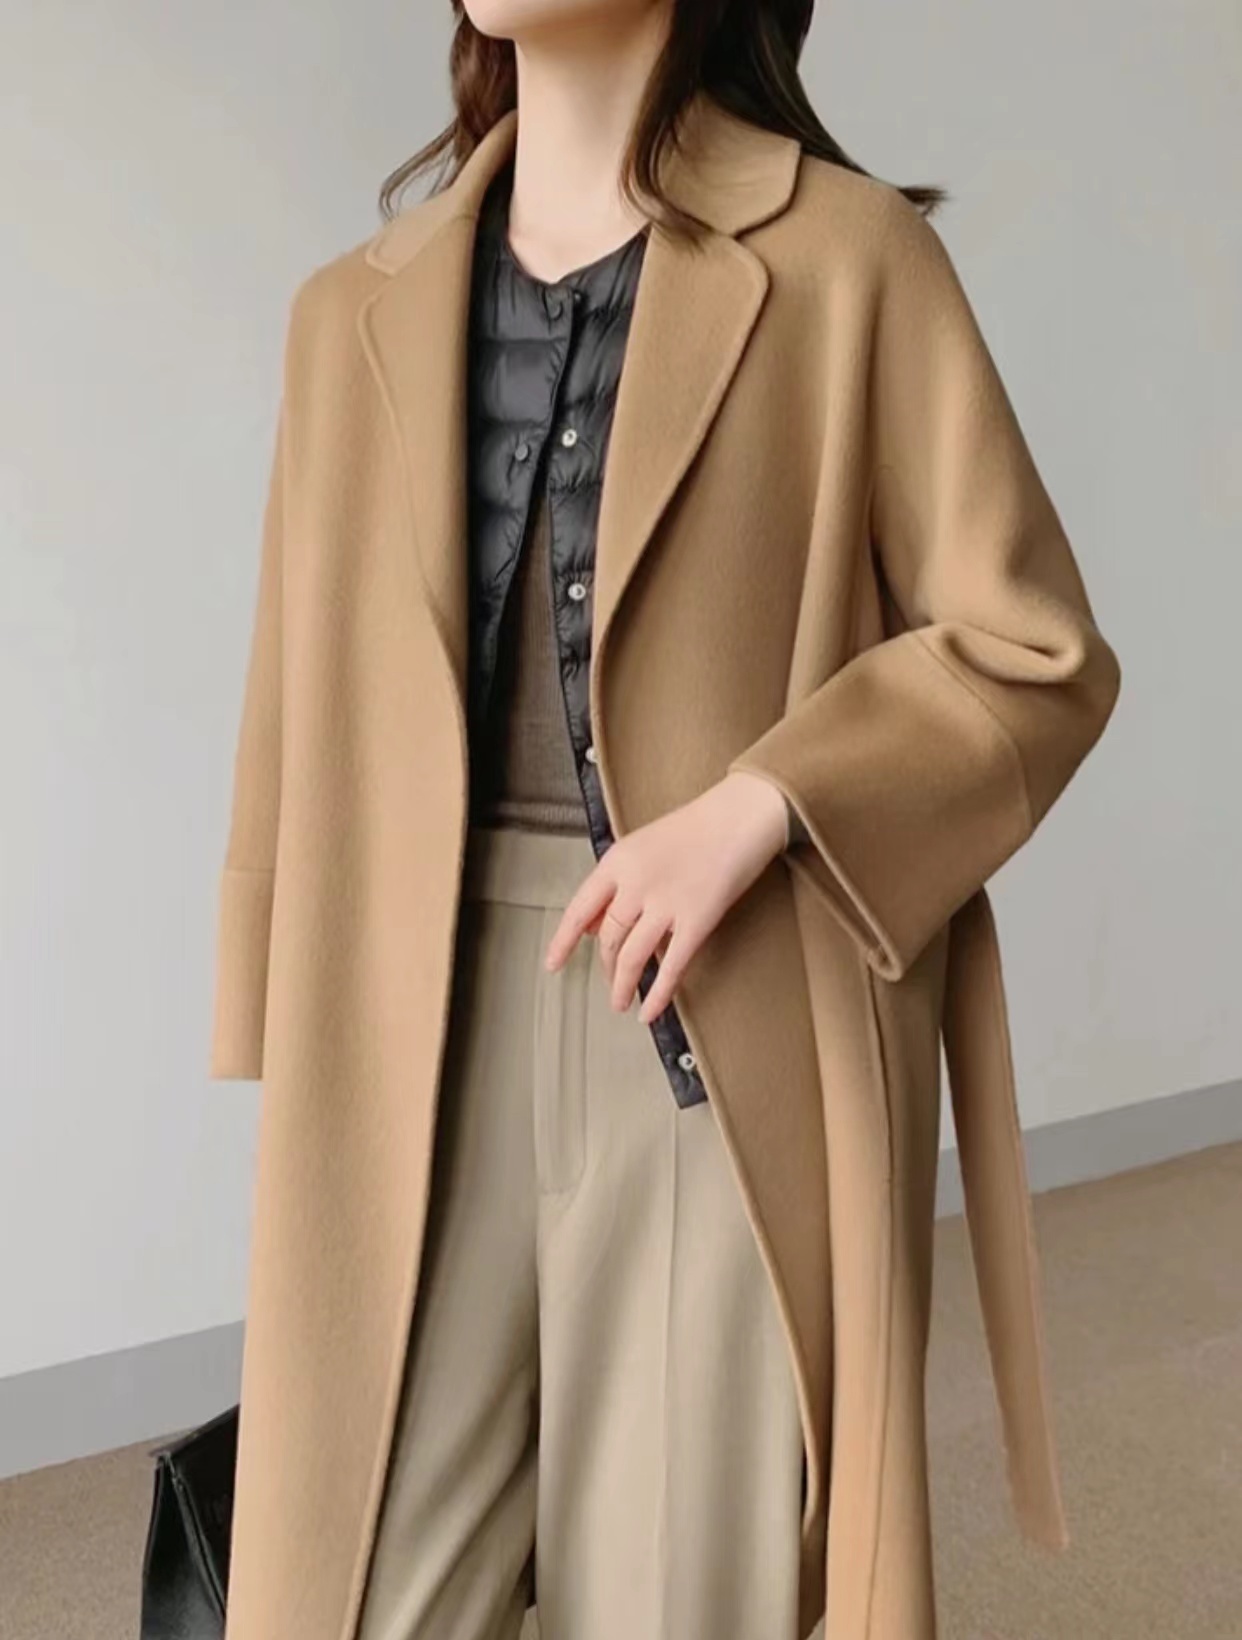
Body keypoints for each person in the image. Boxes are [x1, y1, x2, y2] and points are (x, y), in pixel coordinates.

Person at [208, 5, 1122, 1640]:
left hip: (715, 1011)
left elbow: (1032, 652)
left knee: (672, 1588)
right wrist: (271, 990)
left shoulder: (846, 263)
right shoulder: (349, 313)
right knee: (359, 1585)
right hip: (413, 1016)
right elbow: (298, 697)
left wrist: (765, 805)